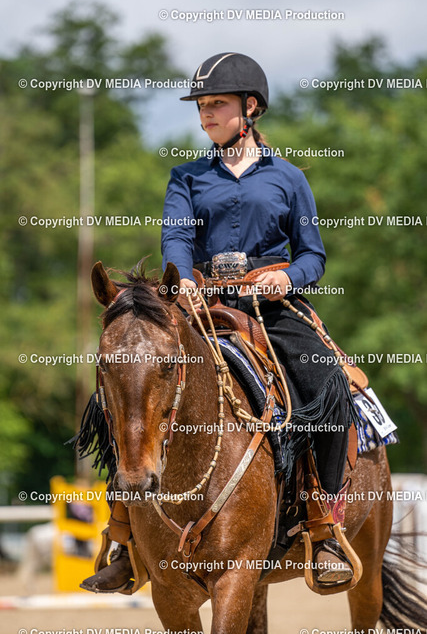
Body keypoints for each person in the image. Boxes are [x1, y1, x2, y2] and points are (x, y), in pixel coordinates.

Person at [81, 52, 359, 593]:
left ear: (250, 107)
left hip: (270, 309)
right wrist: (182, 278)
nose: (205, 113)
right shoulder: (185, 177)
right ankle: (122, 536)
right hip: (200, 304)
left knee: (327, 384)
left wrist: (286, 277)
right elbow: (177, 239)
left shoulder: (289, 177)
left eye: (217, 104)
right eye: (201, 105)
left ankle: (323, 527)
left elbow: (313, 255)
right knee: (127, 386)